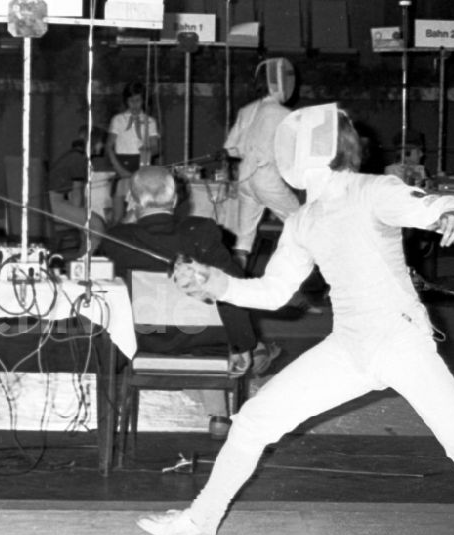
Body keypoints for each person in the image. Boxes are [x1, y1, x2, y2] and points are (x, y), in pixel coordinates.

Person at [137, 103, 454, 535]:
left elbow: (431, 205)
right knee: (254, 419)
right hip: (349, 347)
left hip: (400, 341)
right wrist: (216, 283)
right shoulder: (303, 220)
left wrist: (450, 213)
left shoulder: (373, 190)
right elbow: (273, 292)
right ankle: (200, 521)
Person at [91, 166, 280, 438]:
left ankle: (111, 422)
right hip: (204, 344)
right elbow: (231, 289)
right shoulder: (202, 232)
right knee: (230, 335)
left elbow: (99, 293)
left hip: (142, 343)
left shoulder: (117, 240)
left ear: (132, 199)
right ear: (176, 200)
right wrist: (243, 345)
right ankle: (220, 414)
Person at [221, 58, 301, 267]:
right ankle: (318, 282)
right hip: (267, 179)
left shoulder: (246, 110)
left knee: (244, 237)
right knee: (302, 222)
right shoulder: (285, 115)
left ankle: (236, 281)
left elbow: (230, 149)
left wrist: (232, 179)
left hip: (245, 181)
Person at [47, 125, 110, 253]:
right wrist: (83, 217)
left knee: (89, 222)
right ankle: (85, 263)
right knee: (97, 225)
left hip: (52, 202)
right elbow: (77, 194)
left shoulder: (73, 155)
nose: (102, 146)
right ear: (94, 142)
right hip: (51, 204)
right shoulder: (79, 159)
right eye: (101, 142)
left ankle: (82, 257)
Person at [385, 130, 438, 282]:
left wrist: (427, 184)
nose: (421, 155)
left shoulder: (421, 170)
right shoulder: (392, 170)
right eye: (417, 151)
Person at [106, 82, 160, 225]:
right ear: (126, 101)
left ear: (143, 100)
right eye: (131, 101)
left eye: (138, 100)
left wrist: (148, 150)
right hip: (122, 166)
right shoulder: (118, 120)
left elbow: (155, 147)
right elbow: (109, 147)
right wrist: (119, 170)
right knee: (118, 216)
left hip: (142, 168)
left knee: (138, 214)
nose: (135, 105)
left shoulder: (150, 121)